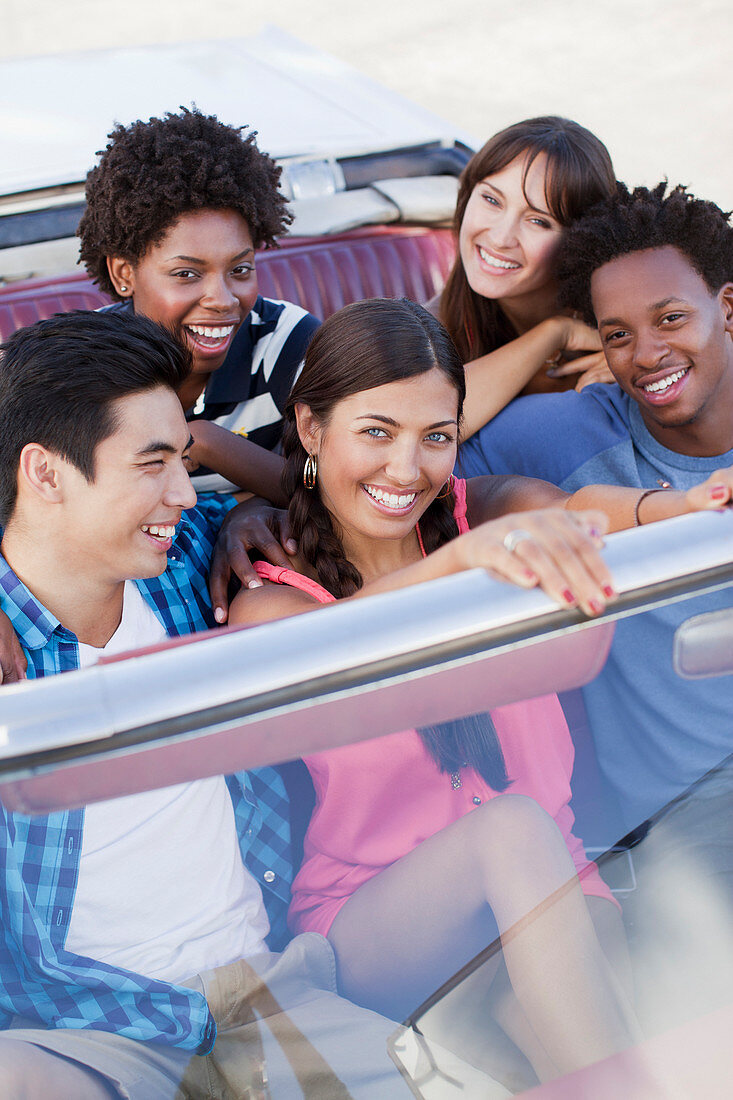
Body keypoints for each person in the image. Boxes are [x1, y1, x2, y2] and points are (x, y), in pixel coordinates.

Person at [227, 297, 650, 1083]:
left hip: (547, 882)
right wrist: (464, 565)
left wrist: (675, 509)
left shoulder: (476, 517)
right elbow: (330, 646)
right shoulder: (270, 597)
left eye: (435, 438)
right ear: (313, 428)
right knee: (513, 832)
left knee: (600, 1057)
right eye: (376, 432)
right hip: (379, 919)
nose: (405, 468)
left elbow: (580, 516)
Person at [0, 310, 409, 1099]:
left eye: (182, 460)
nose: (186, 492)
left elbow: (367, 502)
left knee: (458, 1080)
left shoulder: (194, 563)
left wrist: (252, 513)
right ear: (45, 475)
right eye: (152, 465)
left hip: (265, 991)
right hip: (93, 1038)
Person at [458, 180, 733, 835]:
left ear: (727, 309)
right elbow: (405, 449)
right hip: (687, 813)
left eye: (670, 319)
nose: (645, 355)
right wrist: (251, 510)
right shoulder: (570, 431)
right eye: (617, 334)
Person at [78, 106, 321, 497]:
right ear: (125, 274)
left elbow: (335, 483)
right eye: (186, 274)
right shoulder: (88, 361)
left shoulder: (286, 343)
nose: (222, 300)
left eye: (240, 270)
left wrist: (208, 442)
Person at [429, 116, 618, 439]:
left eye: (538, 221)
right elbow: (428, 421)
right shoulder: (434, 324)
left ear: (580, 239)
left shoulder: (624, 307)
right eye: (491, 200)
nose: (501, 237)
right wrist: (555, 334)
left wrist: (635, 354)